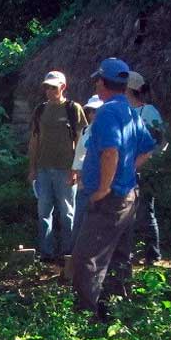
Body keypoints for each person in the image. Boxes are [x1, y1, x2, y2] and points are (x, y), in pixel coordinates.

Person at [69, 58, 156, 321]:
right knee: (119, 256)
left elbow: (110, 152)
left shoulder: (107, 112)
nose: (96, 83)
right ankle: (117, 312)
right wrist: (126, 173)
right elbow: (147, 149)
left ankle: (86, 319)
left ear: (104, 83)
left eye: (98, 80)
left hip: (110, 199)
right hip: (128, 196)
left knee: (87, 258)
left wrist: (103, 189)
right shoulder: (129, 109)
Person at [27, 71, 88, 266]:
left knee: (67, 212)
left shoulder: (73, 109)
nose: (49, 90)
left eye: (53, 87)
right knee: (44, 212)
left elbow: (81, 140)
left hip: (66, 169)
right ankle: (47, 253)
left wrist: (77, 168)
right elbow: (35, 139)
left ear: (63, 87)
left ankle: (67, 253)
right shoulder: (40, 110)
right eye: (47, 87)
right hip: (44, 168)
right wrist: (32, 167)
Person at [126, 71, 167, 266]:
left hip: (145, 170)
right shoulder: (122, 110)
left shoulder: (148, 112)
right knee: (126, 212)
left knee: (145, 211)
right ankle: (128, 252)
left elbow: (160, 141)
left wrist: (146, 161)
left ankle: (153, 254)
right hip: (125, 170)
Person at [68, 95, 103, 255]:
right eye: (91, 111)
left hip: (100, 181)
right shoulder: (85, 130)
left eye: (97, 111)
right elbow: (79, 154)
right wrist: (75, 172)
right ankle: (74, 254)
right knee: (80, 217)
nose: (93, 114)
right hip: (84, 179)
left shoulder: (107, 133)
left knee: (97, 220)